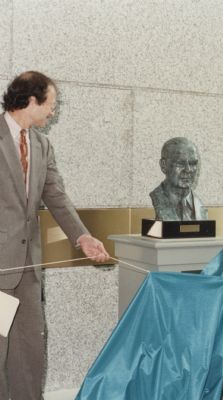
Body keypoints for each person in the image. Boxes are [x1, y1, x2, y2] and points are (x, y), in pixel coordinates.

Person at [0, 71, 110, 400]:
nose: (54, 112)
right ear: (31, 100)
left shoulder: (42, 144)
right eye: (52, 104)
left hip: (29, 272)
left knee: (29, 354)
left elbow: (57, 198)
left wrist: (83, 238)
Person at [150, 137, 208, 221]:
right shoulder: (158, 197)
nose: (188, 170)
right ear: (164, 165)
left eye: (193, 163)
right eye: (180, 163)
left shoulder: (199, 206)